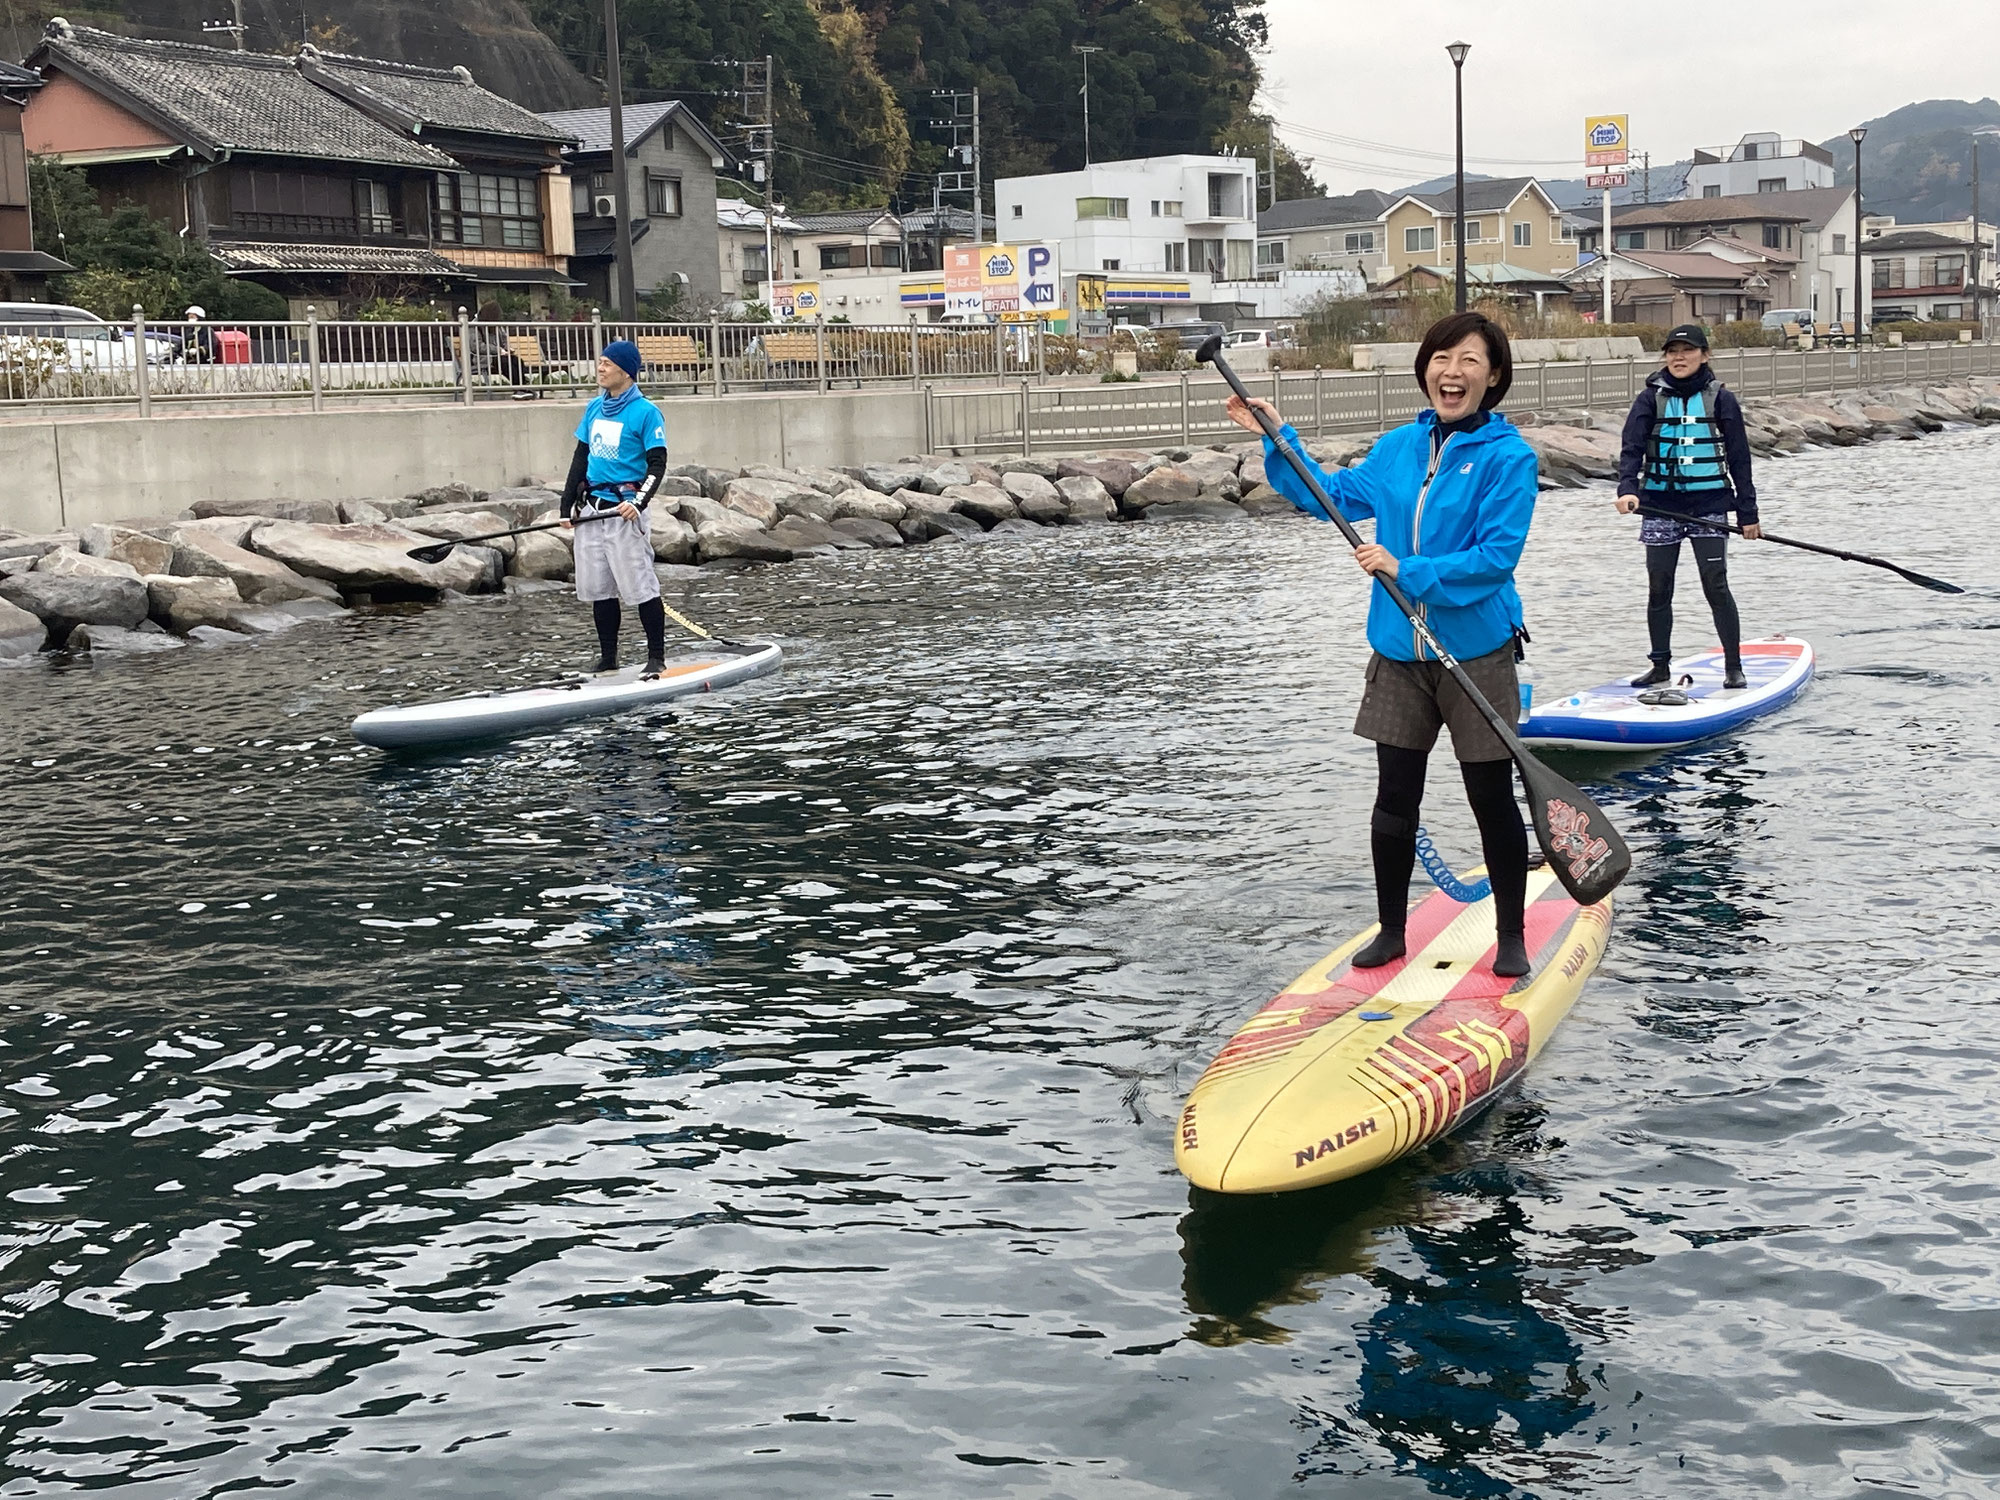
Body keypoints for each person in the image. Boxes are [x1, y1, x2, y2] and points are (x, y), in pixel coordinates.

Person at [1226, 311, 1540, 978]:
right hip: (1399, 651)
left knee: (1490, 798)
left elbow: (1495, 560)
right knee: (1394, 798)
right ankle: (1391, 931)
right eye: (1441, 358)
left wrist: (1407, 568)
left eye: (1469, 361)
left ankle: (1510, 934)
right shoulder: (1400, 445)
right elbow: (1332, 496)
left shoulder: (1509, 458)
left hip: (1476, 653)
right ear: (1424, 368)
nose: (1451, 372)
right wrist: (1280, 437)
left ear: (1495, 376)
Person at [1614, 323, 1762, 689]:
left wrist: (1748, 514)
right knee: (1659, 587)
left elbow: (1740, 459)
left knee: (1716, 584)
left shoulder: (1721, 399)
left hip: (1708, 504)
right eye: (1672, 351)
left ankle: (1733, 666)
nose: (1679, 358)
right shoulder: (1649, 399)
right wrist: (1627, 488)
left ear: (1704, 355)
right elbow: (1631, 449)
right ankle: (1660, 666)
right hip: (1660, 506)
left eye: (1687, 351)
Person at [560, 340, 670, 677]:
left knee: (640, 586)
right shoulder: (594, 407)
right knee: (599, 589)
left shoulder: (646, 412)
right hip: (591, 511)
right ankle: (608, 658)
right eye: (601, 362)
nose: (601, 368)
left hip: (625, 512)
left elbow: (657, 463)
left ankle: (656, 657)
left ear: (626, 370)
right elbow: (581, 458)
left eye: (607, 363)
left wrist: (638, 503)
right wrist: (565, 507)